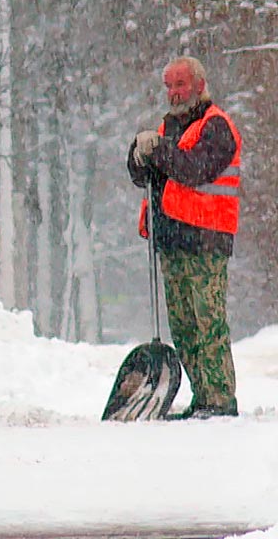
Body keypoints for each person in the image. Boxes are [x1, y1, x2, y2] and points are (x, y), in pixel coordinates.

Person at [128, 56, 241, 420]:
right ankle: (202, 399)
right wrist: (137, 156)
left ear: (199, 84)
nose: (174, 93)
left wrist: (157, 150)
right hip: (173, 239)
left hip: (206, 240)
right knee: (184, 327)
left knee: (208, 322)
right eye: (169, 86)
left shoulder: (217, 126)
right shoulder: (169, 128)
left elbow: (193, 169)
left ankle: (220, 400)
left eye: (180, 85)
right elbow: (148, 175)